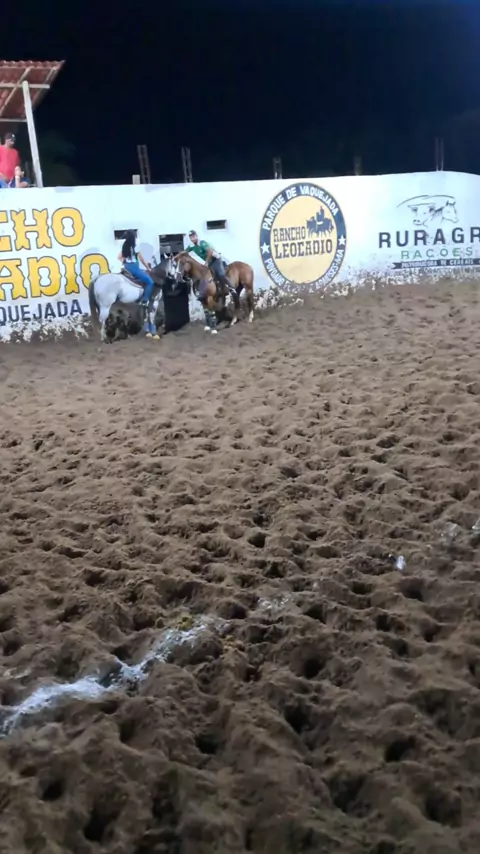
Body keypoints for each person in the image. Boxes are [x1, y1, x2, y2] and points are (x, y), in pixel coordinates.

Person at [184, 230, 236, 296]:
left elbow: (210, 251)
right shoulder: (191, 246)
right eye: (191, 237)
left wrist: (206, 262)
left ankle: (231, 288)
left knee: (220, 274)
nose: (192, 239)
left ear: (196, 236)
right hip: (207, 262)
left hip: (215, 260)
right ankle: (201, 292)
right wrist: (175, 257)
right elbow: (184, 252)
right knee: (203, 275)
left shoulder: (202, 243)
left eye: (193, 237)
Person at [118, 230, 154, 304]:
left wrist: (124, 262)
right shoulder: (136, 247)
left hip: (126, 267)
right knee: (150, 282)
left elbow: (119, 257)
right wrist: (148, 268)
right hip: (134, 268)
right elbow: (142, 260)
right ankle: (145, 300)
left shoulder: (124, 246)